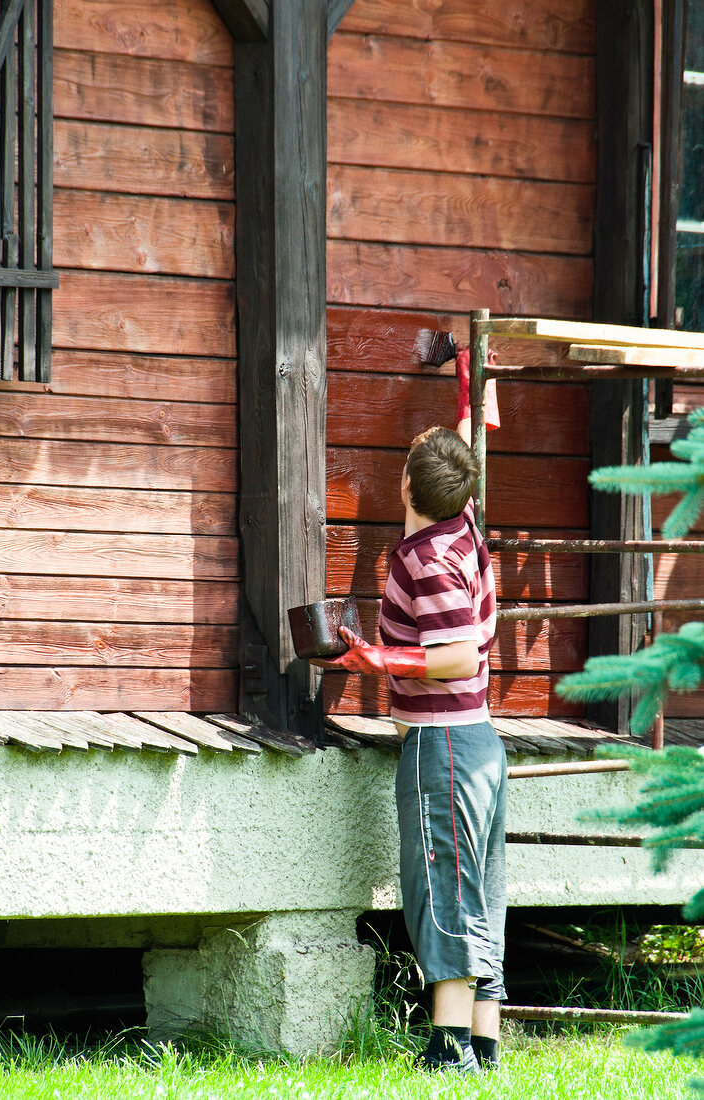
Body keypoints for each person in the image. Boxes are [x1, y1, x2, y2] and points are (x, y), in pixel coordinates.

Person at [312, 425, 506, 1075]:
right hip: (475, 745)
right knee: (475, 893)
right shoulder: (465, 528)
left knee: (442, 892)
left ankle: (447, 1050)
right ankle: (482, 1046)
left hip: (442, 748)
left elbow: (456, 655)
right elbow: (461, 447)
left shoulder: (429, 561)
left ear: (404, 484)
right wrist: (460, 382)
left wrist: (376, 658)